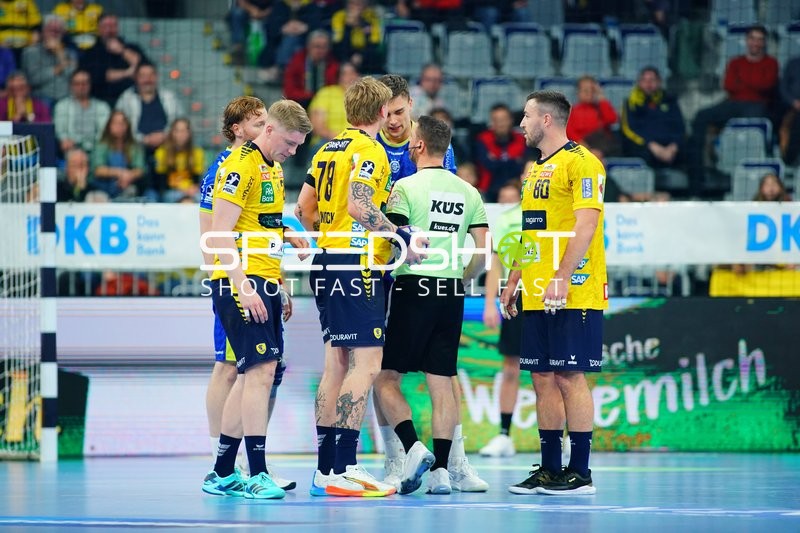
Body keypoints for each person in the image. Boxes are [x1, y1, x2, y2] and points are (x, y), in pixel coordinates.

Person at [376, 74, 487, 494]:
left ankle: (417, 452)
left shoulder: (405, 185)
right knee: (441, 378)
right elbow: (481, 250)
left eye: (402, 114)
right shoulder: (470, 191)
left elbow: (398, 244)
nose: (394, 123)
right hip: (451, 289)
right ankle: (433, 469)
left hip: (410, 284)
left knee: (385, 376)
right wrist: (463, 276)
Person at [294, 76, 404, 498]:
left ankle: (326, 470)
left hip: (326, 261)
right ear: (380, 112)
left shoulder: (326, 149)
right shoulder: (370, 150)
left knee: (336, 363)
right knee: (368, 363)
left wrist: (324, 241)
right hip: (357, 264)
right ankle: (346, 466)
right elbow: (361, 205)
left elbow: (303, 208)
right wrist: (400, 237)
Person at [202, 99, 312, 499]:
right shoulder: (239, 166)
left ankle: (222, 471)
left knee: (253, 374)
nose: (293, 151)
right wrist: (243, 286)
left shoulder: (274, 168)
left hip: (263, 279)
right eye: (289, 142)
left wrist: (285, 241)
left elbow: (260, 224)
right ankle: (258, 473)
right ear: (268, 130)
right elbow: (219, 233)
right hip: (240, 283)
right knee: (259, 373)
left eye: (299, 145)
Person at [500, 90, 607, 495]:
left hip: (574, 289)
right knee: (542, 376)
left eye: (526, 116)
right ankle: (550, 469)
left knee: (569, 376)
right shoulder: (534, 171)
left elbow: (586, 226)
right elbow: (530, 232)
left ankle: (580, 472)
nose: (520, 123)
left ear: (547, 120)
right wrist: (514, 280)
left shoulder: (583, 164)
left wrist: (563, 275)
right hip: (537, 289)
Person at [688, 24, 778, 195]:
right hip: (733, 102)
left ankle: (751, 177)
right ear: (747, 41)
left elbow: (767, 86)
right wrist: (752, 83)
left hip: (757, 105)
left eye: (760, 40)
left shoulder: (771, 63)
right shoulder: (735, 62)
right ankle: (697, 177)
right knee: (701, 115)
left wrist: (743, 82)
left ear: (764, 43)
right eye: (753, 39)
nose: (756, 43)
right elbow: (728, 85)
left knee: (752, 124)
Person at [479, 176, 524, 458]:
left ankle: (566, 439)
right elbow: (495, 262)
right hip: (515, 297)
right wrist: (488, 303)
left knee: (558, 372)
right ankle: (505, 436)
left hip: (547, 297)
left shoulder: (555, 213)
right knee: (510, 368)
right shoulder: (507, 219)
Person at [377, 74, 456, 185]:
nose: (393, 121)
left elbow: (446, 189)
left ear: (410, 104)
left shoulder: (434, 141)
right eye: (386, 114)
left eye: (399, 112)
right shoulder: (368, 142)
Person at [620, 66, 685, 169]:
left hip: (670, 147)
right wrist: (652, 146)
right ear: (639, 82)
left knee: (691, 151)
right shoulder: (631, 103)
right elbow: (629, 130)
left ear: (659, 82)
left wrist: (673, 146)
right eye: (644, 80)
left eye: (652, 80)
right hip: (645, 146)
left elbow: (680, 126)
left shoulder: (670, 100)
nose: (648, 84)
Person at [79, 13, 148, 105]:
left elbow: (145, 67)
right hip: (100, 101)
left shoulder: (132, 48)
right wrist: (128, 73)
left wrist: (122, 51)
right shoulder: (90, 53)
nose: (110, 30)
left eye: (113, 26)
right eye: (106, 26)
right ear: (99, 29)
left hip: (132, 100)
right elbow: (97, 76)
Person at [115, 62, 183, 155]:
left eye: (151, 75)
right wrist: (144, 140)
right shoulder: (125, 99)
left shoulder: (169, 97)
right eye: (143, 75)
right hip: (134, 151)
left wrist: (165, 136)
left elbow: (181, 122)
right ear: (136, 78)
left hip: (168, 150)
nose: (147, 79)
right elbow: (117, 128)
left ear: (157, 76)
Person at [473, 103, 532, 201]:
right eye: (496, 120)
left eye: (503, 120)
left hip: (517, 189)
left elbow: (524, 166)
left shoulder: (522, 140)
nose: (500, 124)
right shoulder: (482, 139)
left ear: (511, 120)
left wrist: (496, 161)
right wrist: (514, 161)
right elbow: (487, 165)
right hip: (488, 191)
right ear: (491, 122)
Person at [21, 14, 77, 103]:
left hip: (66, 97)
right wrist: (59, 68)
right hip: (41, 96)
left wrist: (60, 53)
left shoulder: (70, 53)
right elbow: (33, 80)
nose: (54, 34)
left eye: (57, 31)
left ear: (63, 34)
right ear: (43, 32)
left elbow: (73, 78)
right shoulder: (30, 52)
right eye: (51, 30)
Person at [53, 69, 111, 156]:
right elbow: (61, 133)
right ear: (71, 86)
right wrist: (66, 141)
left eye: (84, 83)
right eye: (77, 84)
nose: (81, 87)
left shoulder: (102, 107)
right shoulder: (62, 106)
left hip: (98, 151)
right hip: (72, 149)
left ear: (89, 85)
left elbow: (104, 133)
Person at [90, 110, 145, 199]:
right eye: (116, 123)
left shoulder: (134, 146)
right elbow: (98, 170)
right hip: (103, 187)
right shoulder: (101, 145)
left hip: (126, 186)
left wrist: (129, 176)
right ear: (109, 126)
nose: (119, 126)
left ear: (127, 126)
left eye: (123, 123)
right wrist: (120, 173)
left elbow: (140, 169)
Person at [308, 62, 360, 152]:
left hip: (357, 143)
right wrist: (343, 140)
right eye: (345, 74)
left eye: (352, 73)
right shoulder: (326, 93)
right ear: (339, 77)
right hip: (328, 141)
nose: (349, 77)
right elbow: (317, 127)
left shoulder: (364, 97)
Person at [283, 29, 339, 108]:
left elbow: (333, 89)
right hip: (299, 103)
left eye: (324, 47)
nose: (320, 51)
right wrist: (310, 96)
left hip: (324, 105)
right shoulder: (297, 60)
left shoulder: (333, 64)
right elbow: (289, 89)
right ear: (308, 46)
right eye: (317, 46)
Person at [154, 118, 205, 202]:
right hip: (171, 190)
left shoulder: (197, 153)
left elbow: (198, 179)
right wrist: (183, 190)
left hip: (191, 190)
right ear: (172, 133)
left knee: (201, 198)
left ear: (189, 133)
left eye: (184, 131)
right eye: (177, 131)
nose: (181, 134)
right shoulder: (162, 153)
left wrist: (192, 188)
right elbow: (161, 183)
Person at [330, 0, 382, 73]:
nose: (355, 7)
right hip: (345, 55)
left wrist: (361, 55)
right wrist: (348, 26)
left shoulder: (372, 17)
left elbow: (374, 43)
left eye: (359, 4)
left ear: (365, 5)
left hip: (365, 56)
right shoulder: (339, 17)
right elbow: (338, 44)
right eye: (352, 3)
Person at [566, 76, 618, 148]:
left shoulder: (601, 108)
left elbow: (612, 119)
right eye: (586, 90)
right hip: (579, 147)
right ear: (578, 92)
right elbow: (569, 131)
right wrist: (582, 145)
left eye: (592, 91)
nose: (589, 93)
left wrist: (601, 98)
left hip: (601, 147)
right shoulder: (571, 111)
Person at [779, 54, 800, 166]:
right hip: (793, 108)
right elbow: (783, 88)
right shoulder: (793, 63)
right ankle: (789, 159)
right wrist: (794, 102)